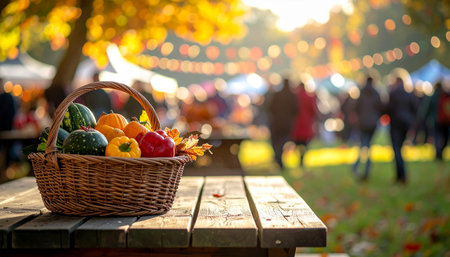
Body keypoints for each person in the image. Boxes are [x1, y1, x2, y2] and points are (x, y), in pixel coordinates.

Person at [352, 77, 383, 181]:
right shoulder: (377, 93)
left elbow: (356, 107)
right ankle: (367, 170)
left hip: (362, 122)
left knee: (362, 145)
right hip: (373, 123)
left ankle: (356, 166)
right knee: (369, 146)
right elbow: (381, 107)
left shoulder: (361, 92)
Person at [387, 77, 416, 184]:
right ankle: (400, 175)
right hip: (406, 124)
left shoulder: (393, 94)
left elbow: (388, 108)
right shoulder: (409, 94)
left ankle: (401, 175)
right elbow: (415, 110)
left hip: (396, 124)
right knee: (400, 149)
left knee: (397, 149)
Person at [267, 78, 298, 169]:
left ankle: (278, 157)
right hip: (287, 123)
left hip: (276, 123)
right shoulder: (292, 95)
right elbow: (296, 110)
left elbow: (270, 107)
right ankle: (279, 158)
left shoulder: (277, 95)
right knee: (284, 141)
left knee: (277, 142)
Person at [291, 82, 317, 169]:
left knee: (297, 142)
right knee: (305, 143)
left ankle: (299, 157)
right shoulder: (309, 97)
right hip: (306, 122)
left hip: (296, 122)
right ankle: (302, 159)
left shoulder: (295, 96)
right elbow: (313, 110)